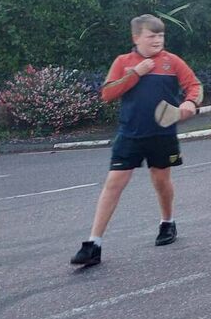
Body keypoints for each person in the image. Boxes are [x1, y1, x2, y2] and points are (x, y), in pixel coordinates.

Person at [70, 14, 202, 268]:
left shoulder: (172, 61)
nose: (157, 40)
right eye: (151, 36)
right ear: (136, 38)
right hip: (129, 134)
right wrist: (135, 74)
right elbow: (107, 93)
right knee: (114, 184)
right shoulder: (123, 62)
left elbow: (194, 85)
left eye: (161, 35)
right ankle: (93, 244)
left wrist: (189, 103)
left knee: (161, 181)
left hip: (162, 135)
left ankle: (167, 223)